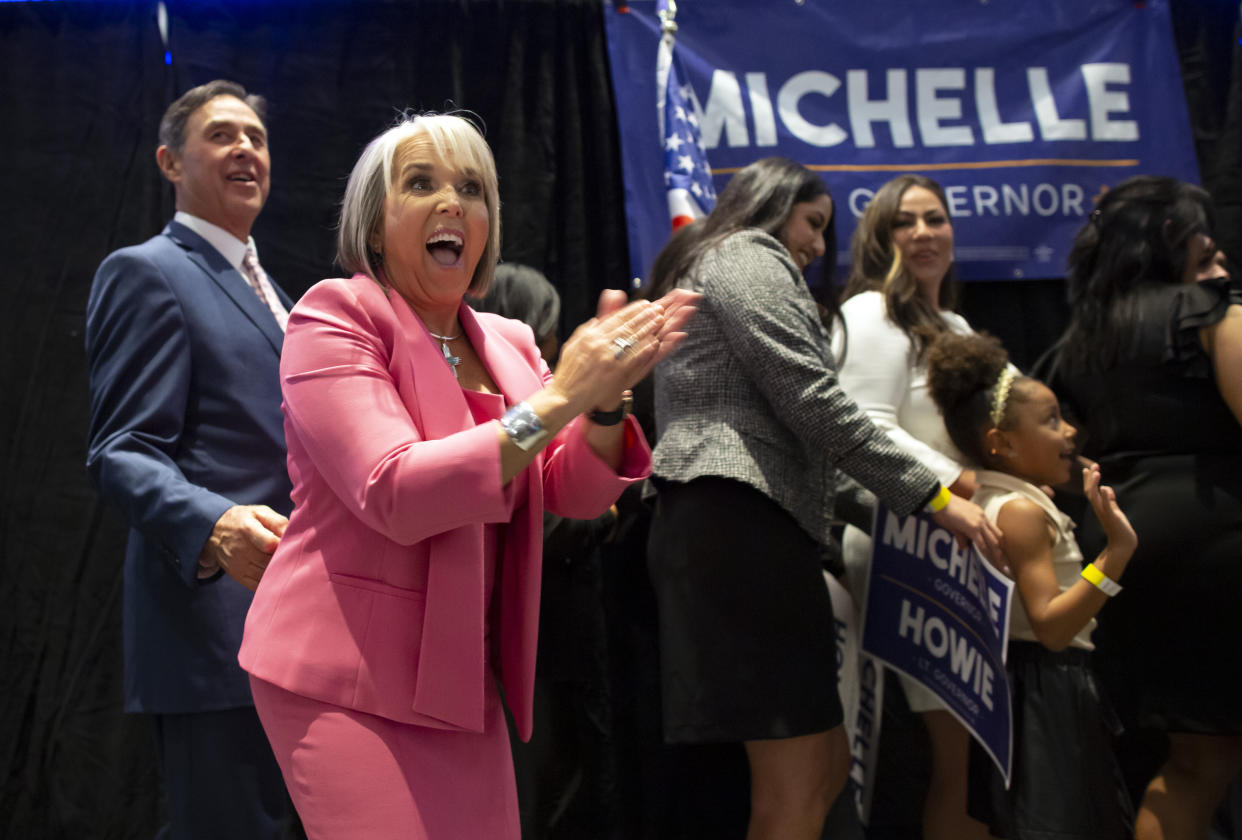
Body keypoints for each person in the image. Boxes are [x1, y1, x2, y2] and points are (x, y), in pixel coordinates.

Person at [236, 113, 696, 840]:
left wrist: (604, 403)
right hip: (343, 676)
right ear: (374, 221)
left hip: (459, 680)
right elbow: (397, 490)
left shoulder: (509, 342)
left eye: (472, 189)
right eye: (421, 184)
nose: (453, 203)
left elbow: (569, 489)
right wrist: (559, 399)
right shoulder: (335, 318)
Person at [645, 156, 1003, 840]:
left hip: (750, 526)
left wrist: (912, 518)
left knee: (825, 766)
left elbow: (817, 454)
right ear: (771, 204)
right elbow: (819, 404)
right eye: (812, 223)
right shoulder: (746, 252)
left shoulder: (720, 265)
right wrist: (935, 499)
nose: (814, 245)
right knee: (800, 776)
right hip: (736, 522)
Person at [84, 79, 296, 839]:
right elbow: (122, 451)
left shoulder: (283, 295)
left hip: (299, 635)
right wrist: (215, 525)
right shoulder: (148, 272)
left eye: (257, 137)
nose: (246, 148)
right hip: (214, 636)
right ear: (170, 162)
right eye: (222, 135)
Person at [1041, 175, 1242, 840]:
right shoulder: (1212, 311)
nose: (1216, 257)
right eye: (1203, 242)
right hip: (1221, 543)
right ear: (1169, 241)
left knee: (1193, 765)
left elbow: (1061, 444)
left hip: (1129, 552)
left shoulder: (1083, 340)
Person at [926, 331, 1135, 839]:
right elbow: (1052, 626)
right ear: (1003, 443)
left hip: (1025, 685)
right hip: (1047, 689)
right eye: (1050, 421)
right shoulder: (1019, 511)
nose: (1069, 432)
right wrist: (1115, 553)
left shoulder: (1003, 499)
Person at [831, 174, 990, 840]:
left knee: (967, 754)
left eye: (935, 218)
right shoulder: (871, 314)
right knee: (908, 748)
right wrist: (951, 481)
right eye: (905, 223)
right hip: (897, 542)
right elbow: (861, 424)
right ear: (879, 238)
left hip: (961, 548)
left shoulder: (954, 323)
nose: (923, 233)